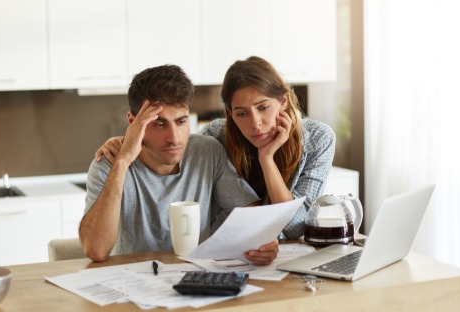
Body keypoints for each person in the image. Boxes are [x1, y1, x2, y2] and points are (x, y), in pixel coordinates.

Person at [96, 56, 336, 240]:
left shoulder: (318, 139)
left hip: (283, 254)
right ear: (230, 114)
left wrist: (267, 159)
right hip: (233, 253)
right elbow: (173, 148)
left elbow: (296, 227)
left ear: (282, 101)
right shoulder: (218, 135)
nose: (255, 124)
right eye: (241, 113)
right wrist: (127, 141)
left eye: (263, 107)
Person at [79, 64, 278, 265]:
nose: (174, 138)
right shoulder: (109, 163)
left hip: (196, 279)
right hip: (132, 281)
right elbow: (96, 250)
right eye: (159, 124)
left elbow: (253, 218)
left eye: (181, 122)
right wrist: (122, 162)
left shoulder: (207, 152)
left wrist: (264, 243)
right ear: (133, 122)